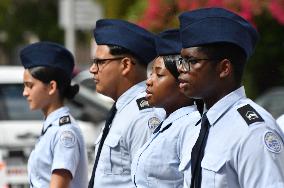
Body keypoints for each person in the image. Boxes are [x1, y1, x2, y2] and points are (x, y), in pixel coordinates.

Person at [177, 7, 284, 188]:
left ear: (224, 69)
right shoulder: (197, 127)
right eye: (181, 60)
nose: (181, 68)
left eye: (192, 61)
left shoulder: (253, 131)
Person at [88, 19, 165, 188]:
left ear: (125, 65)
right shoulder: (122, 110)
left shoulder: (143, 116)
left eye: (100, 62)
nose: (92, 69)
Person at [131, 29, 201, 188]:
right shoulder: (167, 122)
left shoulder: (191, 126)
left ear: (182, 81)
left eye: (159, 75)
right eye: (151, 74)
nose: (149, 82)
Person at [20, 41, 88, 188]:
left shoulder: (64, 131)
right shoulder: (52, 127)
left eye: (30, 85)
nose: (25, 93)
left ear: (51, 87)